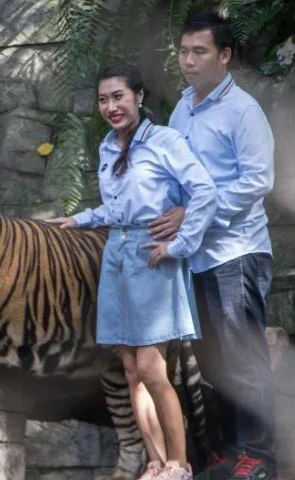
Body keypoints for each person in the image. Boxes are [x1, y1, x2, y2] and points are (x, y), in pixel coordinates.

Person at [48, 63, 217, 480]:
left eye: (118, 96)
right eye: (103, 99)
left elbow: (205, 193)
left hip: (152, 256)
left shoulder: (165, 141)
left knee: (152, 369)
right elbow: (117, 209)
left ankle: (179, 464)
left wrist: (179, 244)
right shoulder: (108, 146)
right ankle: (156, 463)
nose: (111, 106)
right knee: (129, 371)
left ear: (139, 97)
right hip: (117, 256)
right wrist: (81, 219)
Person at [156, 12, 277, 480]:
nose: (188, 61)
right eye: (184, 51)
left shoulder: (243, 111)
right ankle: (231, 449)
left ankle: (259, 456)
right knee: (215, 362)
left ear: (224, 55)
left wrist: (195, 213)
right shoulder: (183, 106)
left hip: (236, 252)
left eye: (199, 51)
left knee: (242, 357)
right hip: (197, 253)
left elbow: (257, 182)